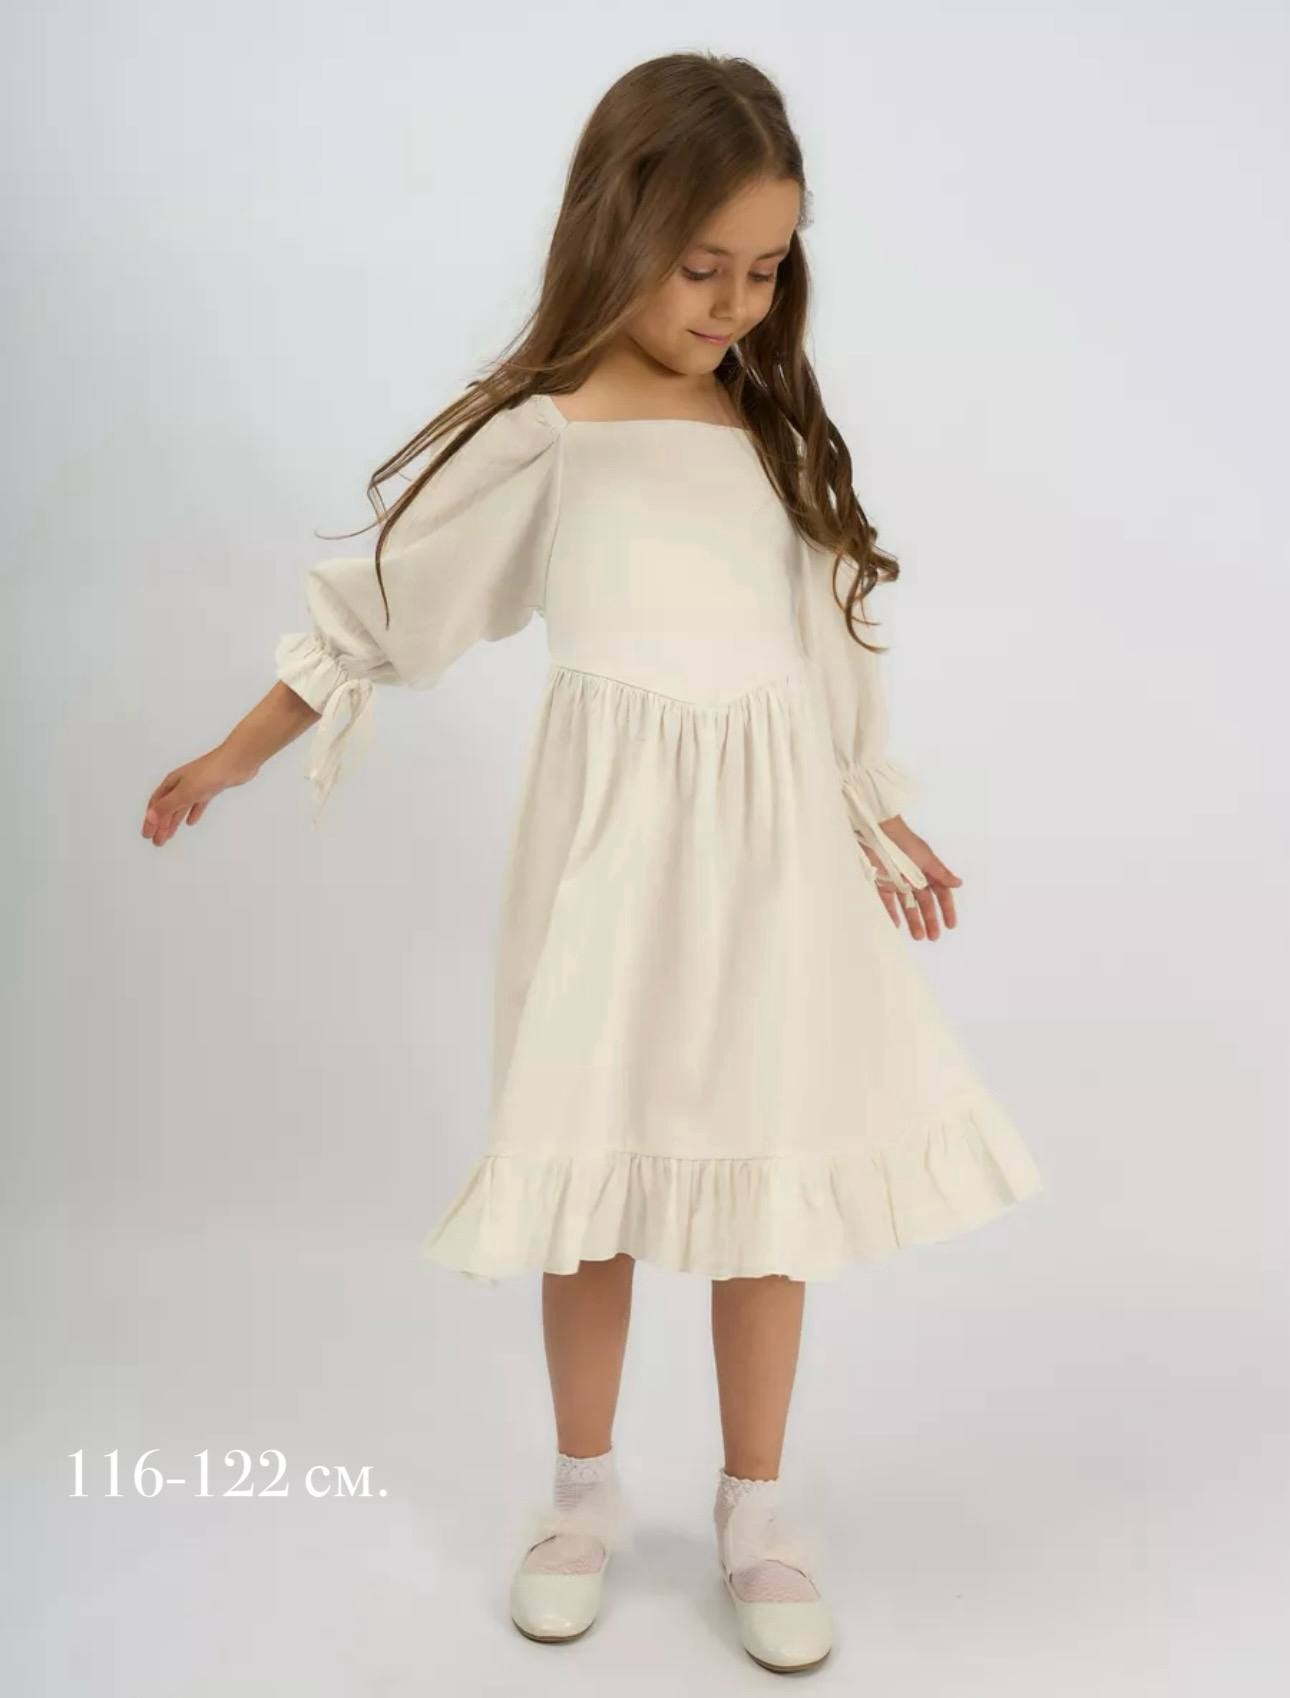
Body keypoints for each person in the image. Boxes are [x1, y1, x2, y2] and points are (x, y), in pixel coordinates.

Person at [141, 51, 1043, 1674]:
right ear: (615, 229)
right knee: (592, 1182)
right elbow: (388, 605)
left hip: (768, 858)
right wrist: (238, 748)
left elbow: (826, 649)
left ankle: (757, 1514)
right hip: (611, 854)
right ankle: (577, 1496)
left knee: (765, 1180)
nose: (735, 303)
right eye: (703, 267)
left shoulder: (771, 434)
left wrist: (869, 806)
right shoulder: (545, 437)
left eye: (764, 269)